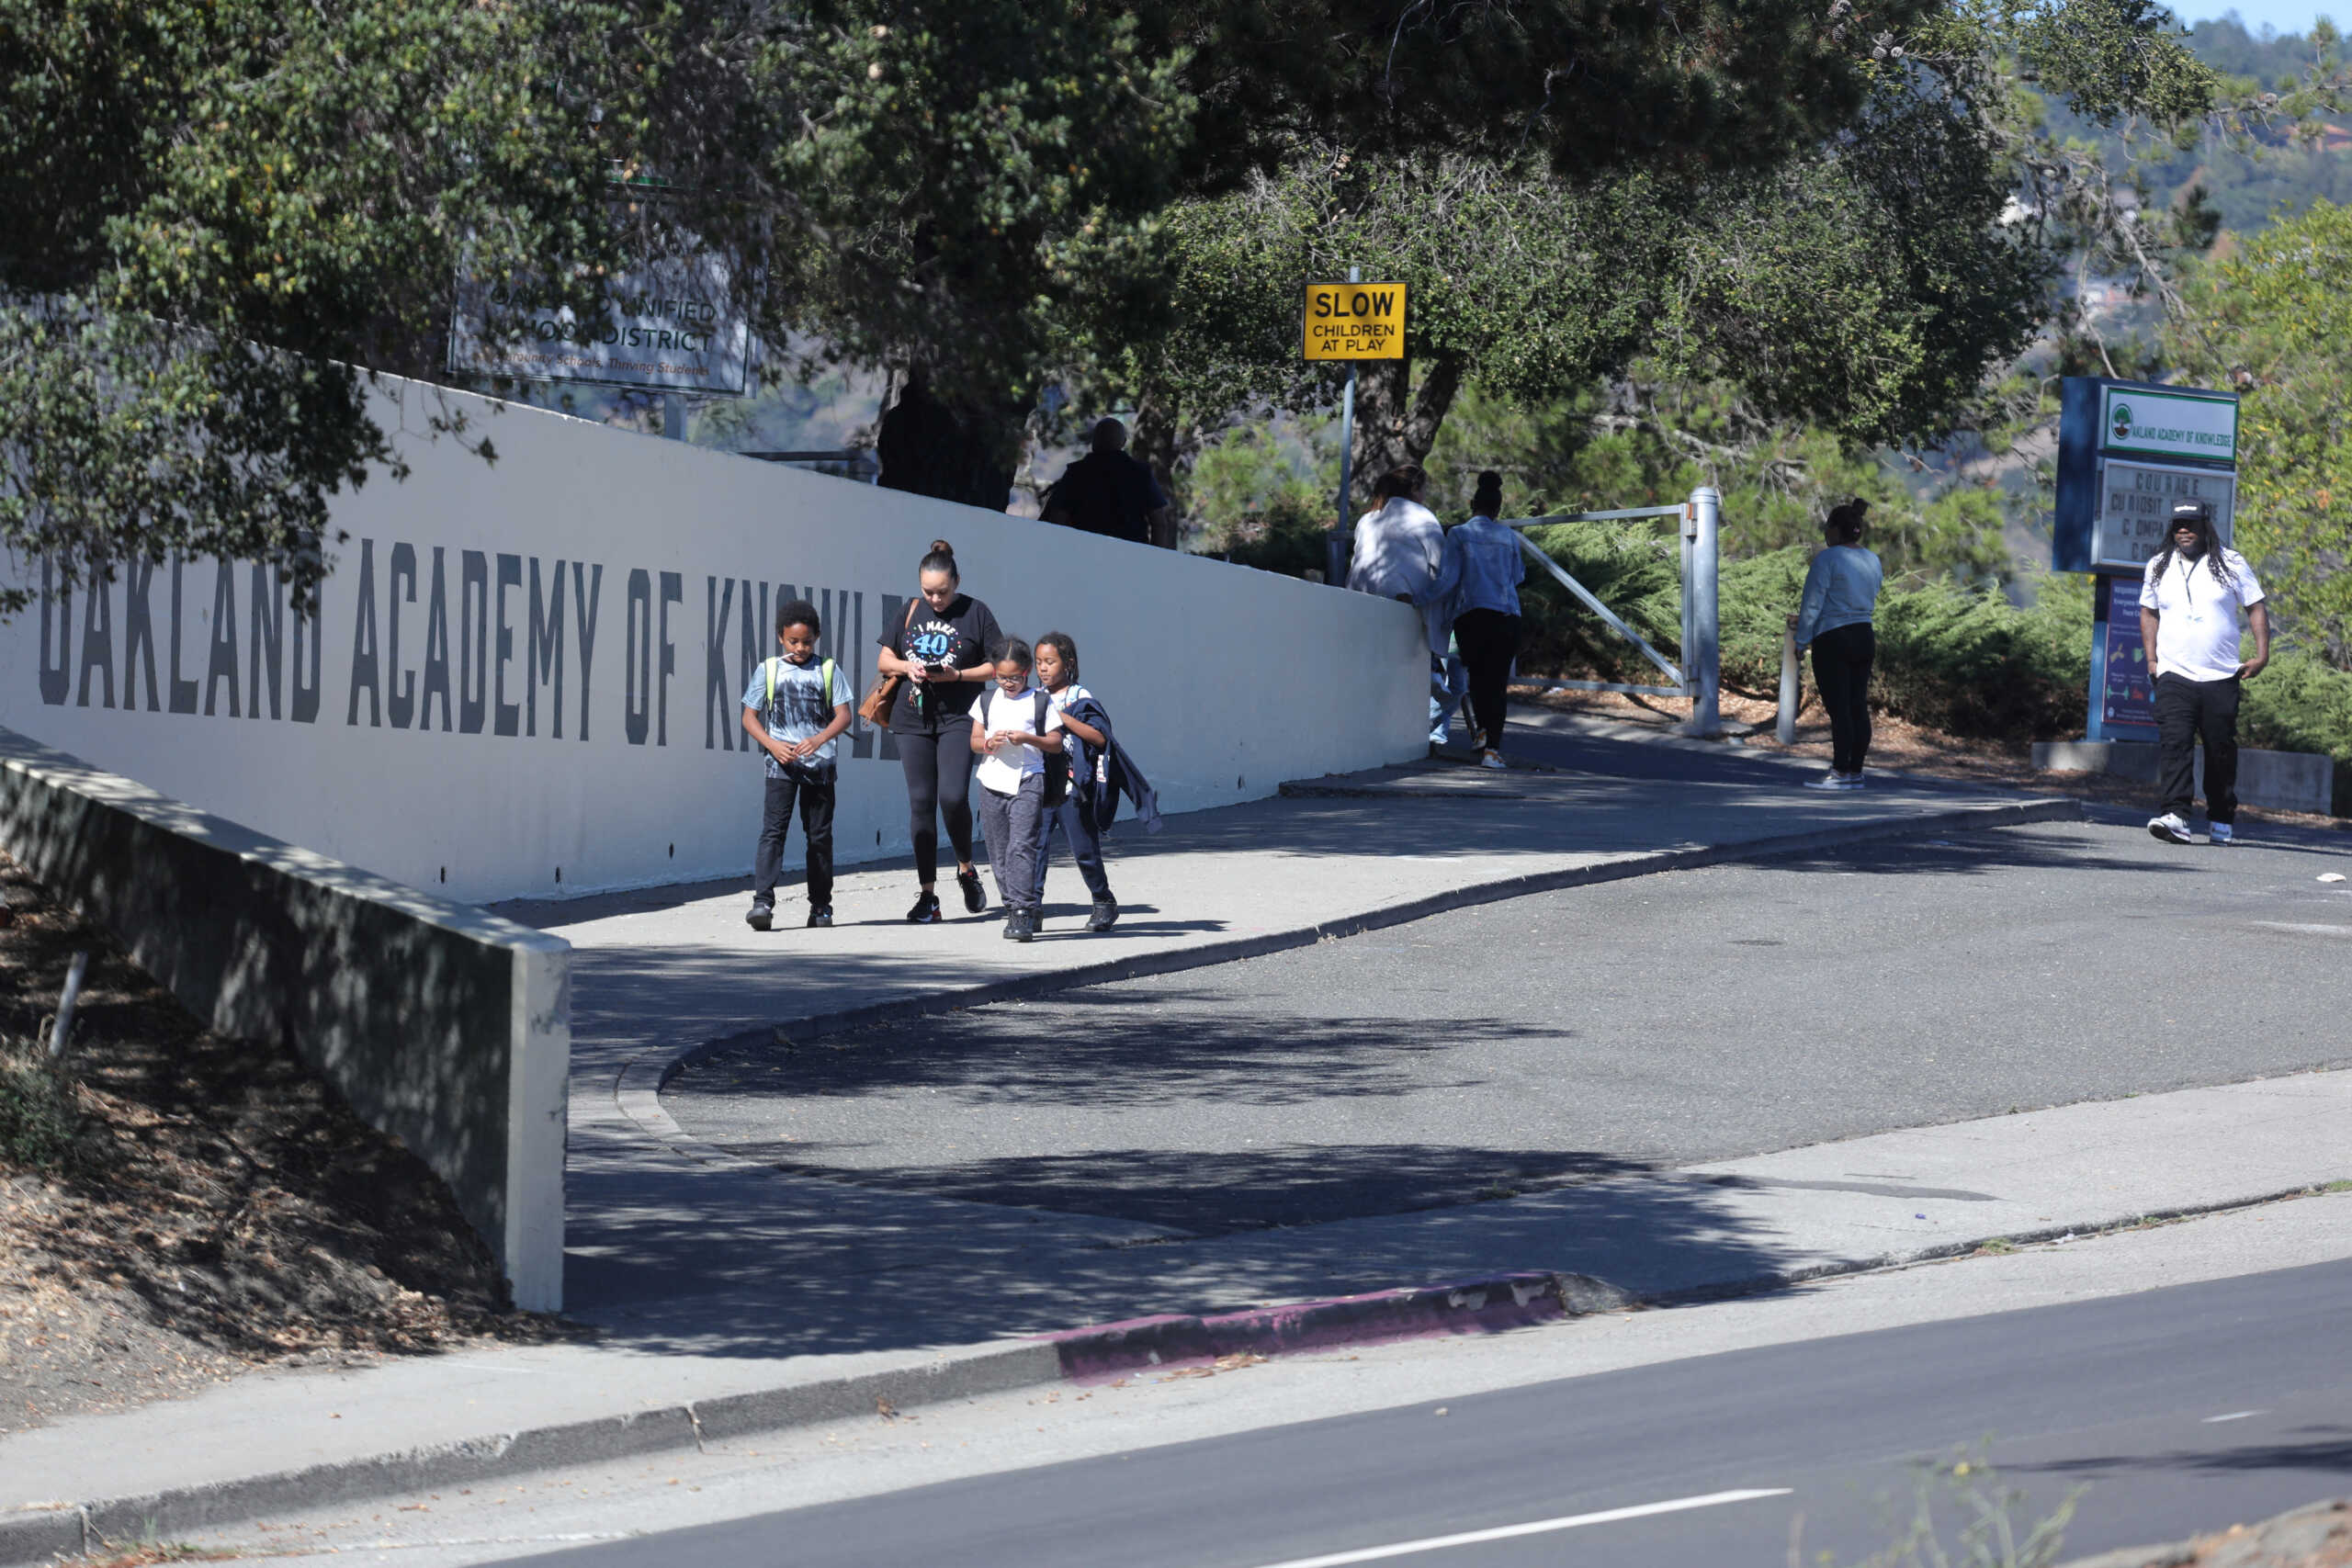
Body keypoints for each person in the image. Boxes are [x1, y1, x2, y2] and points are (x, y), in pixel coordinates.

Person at [875, 539, 1004, 922]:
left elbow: (998, 666)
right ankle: (928, 896)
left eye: (942, 591)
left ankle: (966, 867)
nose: (935, 599)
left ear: (957, 581)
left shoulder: (976, 613)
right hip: (912, 718)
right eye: (928, 591)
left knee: (951, 796)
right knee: (920, 802)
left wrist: (958, 675)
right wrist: (905, 667)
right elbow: (885, 656)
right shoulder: (910, 611)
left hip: (961, 716)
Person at [2143, 501, 2268, 846]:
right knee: (2175, 744)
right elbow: (2149, 612)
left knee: (2219, 750)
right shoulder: (2158, 566)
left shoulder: (2231, 562)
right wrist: (2152, 661)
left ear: (2205, 526)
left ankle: (2221, 818)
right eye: (2178, 524)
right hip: (2174, 673)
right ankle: (2177, 815)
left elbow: (2255, 607)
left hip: (2220, 675)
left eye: (2191, 524)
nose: (2184, 530)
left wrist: (2262, 655)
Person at [738, 600, 853, 931]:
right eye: (793, 641)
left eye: (806, 641)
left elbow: (843, 715)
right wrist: (773, 745)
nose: (800, 648)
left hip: (820, 767)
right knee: (773, 832)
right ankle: (762, 902)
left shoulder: (828, 669)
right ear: (780, 638)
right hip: (780, 768)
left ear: (816, 637)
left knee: (819, 836)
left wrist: (818, 740)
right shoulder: (769, 670)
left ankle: (821, 907)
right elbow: (749, 716)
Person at [1419, 470, 1526, 771]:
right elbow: (1519, 576)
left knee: (1478, 680)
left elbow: (1447, 579)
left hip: (1473, 616)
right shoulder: (1509, 536)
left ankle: (1482, 732)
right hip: (1508, 616)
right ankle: (1492, 748)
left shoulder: (1459, 534)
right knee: (1497, 684)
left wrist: (1417, 599)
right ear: (1498, 509)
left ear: (1472, 504)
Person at [1347, 464, 1450, 746]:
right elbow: (1442, 568)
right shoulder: (1424, 518)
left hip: (1361, 602)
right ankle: (1431, 735)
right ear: (1415, 489)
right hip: (1405, 604)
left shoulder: (1368, 519)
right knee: (1436, 678)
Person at [971, 639, 1067, 942]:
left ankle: (1022, 911)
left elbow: (1055, 742)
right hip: (992, 782)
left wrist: (1027, 738)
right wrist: (990, 743)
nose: (1008, 683)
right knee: (998, 851)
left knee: (1022, 846)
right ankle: (1015, 905)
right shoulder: (986, 700)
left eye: (1015, 677)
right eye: (1002, 677)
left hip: (1029, 779)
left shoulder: (1039, 701)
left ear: (1027, 673)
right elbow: (974, 741)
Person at [1790, 499, 1884, 790]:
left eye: (1827, 528)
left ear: (1834, 530)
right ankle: (1855, 771)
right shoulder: (1873, 559)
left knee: (1839, 708)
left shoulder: (1827, 559)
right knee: (1858, 705)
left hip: (1833, 636)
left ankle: (1840, 771)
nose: (1824, 534)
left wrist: (1801, 640)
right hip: (1864, 634)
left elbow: (1812, 604)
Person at [1029, 632, 1120, 931]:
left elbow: (1100, 737)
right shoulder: (1031, 697)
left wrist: (1063, 718)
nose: (1043, 668)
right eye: (1039, 662)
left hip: (1071, 789)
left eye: (1050, 661)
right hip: (1039, 785)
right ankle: (1030, 909)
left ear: (1068, 663)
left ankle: (1103, 901)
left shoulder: (1081, 698)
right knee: (1034, 849)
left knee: (1083, 849)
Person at [1041, 419, 1174, 547]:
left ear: (1094, 441)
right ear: (1123, 442)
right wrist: (1154, 560)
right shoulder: (1141, 473)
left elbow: (1057, 518)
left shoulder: (1077, 472)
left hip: (1083, 551)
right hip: (1131, 556)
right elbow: (1159, 523)